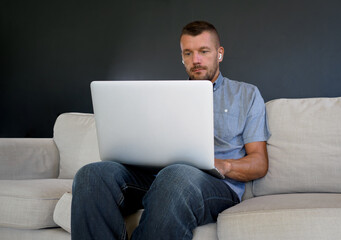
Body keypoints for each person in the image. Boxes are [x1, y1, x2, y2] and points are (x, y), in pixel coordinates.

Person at [71, 20, 270, 240]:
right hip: (160, 178)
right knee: (91, 175)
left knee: (175, 175)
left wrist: (223, 165)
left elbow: (259, 163)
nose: (196, 60)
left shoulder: (246, 95)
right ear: (182, 57)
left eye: (204, 51)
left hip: (216, 187)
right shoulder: (163, 97)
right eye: (188, 53)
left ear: (219, 53)